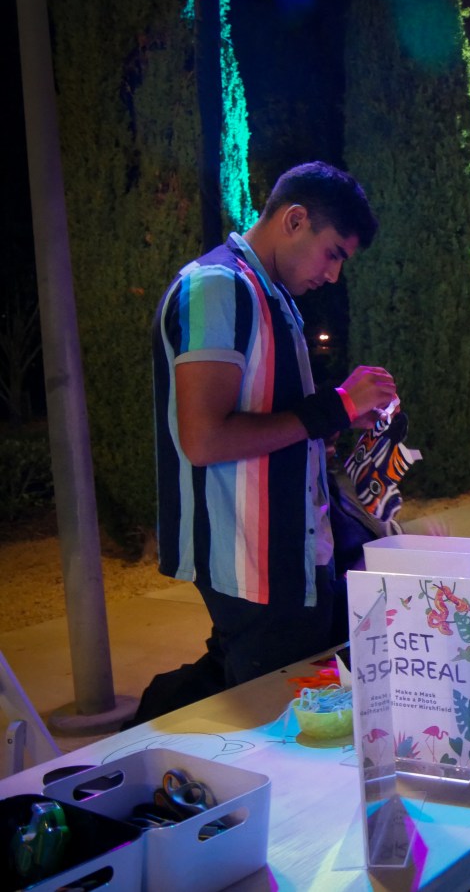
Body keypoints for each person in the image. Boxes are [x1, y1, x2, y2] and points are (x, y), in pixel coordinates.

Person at [145, 162, 396, 716]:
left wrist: (334, 424)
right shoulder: (219, 286)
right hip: (253, 564)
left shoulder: (266, 290)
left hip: (290, 557)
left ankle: (160, 728)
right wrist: (334, 407)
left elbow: (275, 420)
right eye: (333, 253)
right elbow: (204, 439)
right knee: (280, 729)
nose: (333, 275)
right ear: (295, 219)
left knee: (290, 710)